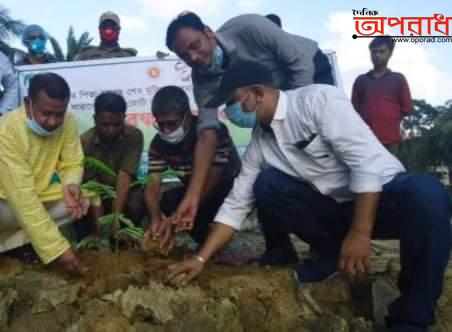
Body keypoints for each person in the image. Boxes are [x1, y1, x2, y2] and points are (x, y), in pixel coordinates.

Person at [167, 62, 451, 332]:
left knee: (427, 193)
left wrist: (360, 232)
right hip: (334, 210)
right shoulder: (259, 144)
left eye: (232, 101)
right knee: (267, 185)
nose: (229, 112)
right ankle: (328, 254)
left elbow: (365, 166)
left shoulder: (318, 101)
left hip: (383, 198)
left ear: (257, 93)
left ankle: (411, 317)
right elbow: (236, 205)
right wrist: (201, 258)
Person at [164, 12, 334, 247]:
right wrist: (192, 196)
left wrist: (297, 121)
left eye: (196, 45)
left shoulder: (251, 28)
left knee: (316, 151)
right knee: (266, 168)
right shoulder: (202, 79)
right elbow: (207, 132)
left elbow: (299, 63)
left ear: (208, 32)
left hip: (308, 71)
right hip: (265, 97)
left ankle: (331, 239)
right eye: (185, 56)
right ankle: (279, 248)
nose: (195, 57)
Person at [0, 73, 89, 272]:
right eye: (46, 113)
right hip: (6, 201)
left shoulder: (68, 121)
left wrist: (71, 184)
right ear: (27, 103)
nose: (53, 121)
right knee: (27, 208)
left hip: (38, 194)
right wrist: (57, 249)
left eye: (59, 114)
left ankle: (19, 245)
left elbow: (73, 161)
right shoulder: (7, 131)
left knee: (81, 202)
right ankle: (33, 244)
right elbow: (22, 197)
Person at [143, 86, 240, 254]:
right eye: (161, 124)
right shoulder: (158, 144)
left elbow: (213, 178)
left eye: (171, 123)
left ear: (187, 115)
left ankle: (218, 244)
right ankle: (208, 245)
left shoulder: (213, 132)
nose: (166, 130)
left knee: (184, 206)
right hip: (192, 193)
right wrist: (156, 219)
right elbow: (152, 185)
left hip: (229, 189)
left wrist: (176, 216)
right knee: (168, 200)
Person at [80, 92, 144, 237]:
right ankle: (92, 240)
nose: (111, 130)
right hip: (97, 196)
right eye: (105, 124)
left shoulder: (134, 136)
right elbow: (94, 186)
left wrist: (116, 219)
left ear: (124, 118)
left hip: (125, 192)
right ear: (95, 119)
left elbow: (125, 176)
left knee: (138, 198)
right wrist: (101, 230)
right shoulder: (84, 142)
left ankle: (128, 236)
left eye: (117, 124)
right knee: (81, 201)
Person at [352, 36, 412, 156]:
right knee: (368, 172)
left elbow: (407, 107)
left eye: (382, 51)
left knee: (391, 172)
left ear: (390, 53)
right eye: (374, 52)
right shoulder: (361, 80)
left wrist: (390, 116)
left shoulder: (398, 79)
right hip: (366, 139)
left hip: (391, 139)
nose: (377, 55)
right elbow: (353, 110)